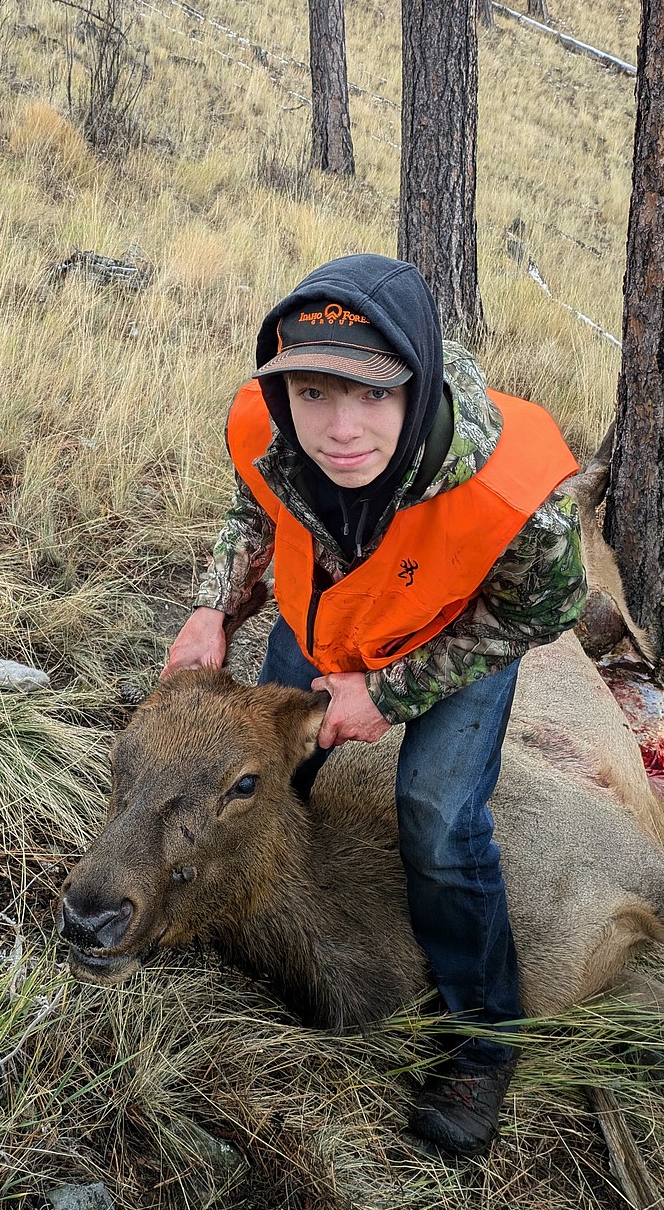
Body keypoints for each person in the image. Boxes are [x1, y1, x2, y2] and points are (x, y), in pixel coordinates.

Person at [162, 253, 587, 1158]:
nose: (339, 429)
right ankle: (270, 900)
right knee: (278, 770)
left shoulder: (515, 499)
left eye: (371, 396)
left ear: (418, 385)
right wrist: (214, 607)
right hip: (329, 623)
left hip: (449, 642)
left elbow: (539, 612)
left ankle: (482, 1039)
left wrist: (390, 694)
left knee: (437, 822)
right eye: (312, 393)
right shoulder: (270, 433)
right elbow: (253, 514)